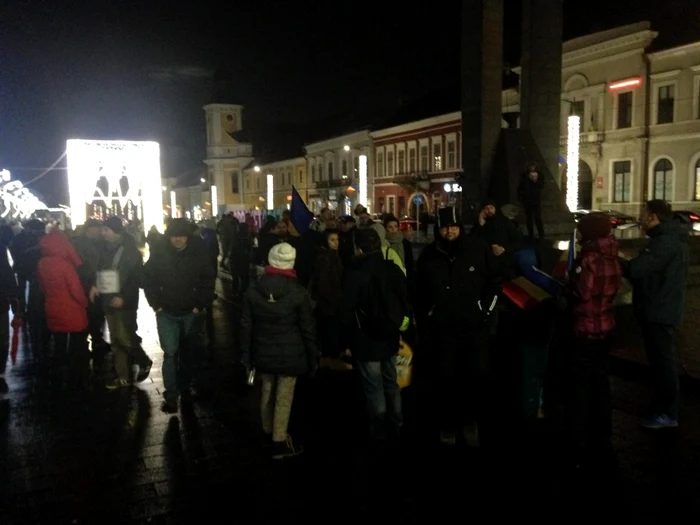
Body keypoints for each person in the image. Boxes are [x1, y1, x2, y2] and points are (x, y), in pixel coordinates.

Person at [415, 207, 500, 446]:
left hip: (475, 328)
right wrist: (426, 317)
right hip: (443, 330)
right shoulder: (430, 255)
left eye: (453, 226)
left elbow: (494, 282)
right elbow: (419, 291)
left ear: (461, 227)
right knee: (446, 377)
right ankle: (449, 423)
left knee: (475, 376)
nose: (449, 231)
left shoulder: (477, 250)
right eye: (444, 227)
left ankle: (470, 421)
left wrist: (486, 310)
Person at [240, 242, 318, 459]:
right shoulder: (298, 292)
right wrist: (313, 355)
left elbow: (246, 325)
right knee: (284, 395)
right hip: (291, 353)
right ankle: (279, 439)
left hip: (262, 351)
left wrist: (245, 354)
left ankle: (267, 430)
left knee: (266, 389)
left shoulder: (254, 290)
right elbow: (307, 328)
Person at [621, 200, 689, 429]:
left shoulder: (664, 243)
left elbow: (637, 270)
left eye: (643, 213)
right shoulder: (667, 240)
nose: (640, 216)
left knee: (664, 364)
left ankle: (668, 413)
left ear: (653, 216)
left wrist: (618, 260)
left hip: (659, 310)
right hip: (661, 307)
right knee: (662, 363)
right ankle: (663, 407)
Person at [339, 228, 410, 445]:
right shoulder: (391, 269)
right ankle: (397, 424)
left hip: (365, 340)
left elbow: (345, 313)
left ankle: (379, 428)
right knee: (391, 382)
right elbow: (405, 300)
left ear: (358, 248)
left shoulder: (354, 273)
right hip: (390, 337)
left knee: (373, 386)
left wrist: (344, 341)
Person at [143, 218, 216, 412]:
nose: (178, 240)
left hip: (189, 311)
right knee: (170, 353)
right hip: (166, 312)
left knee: (187, 352)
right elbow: (147, 278)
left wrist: (199, 305)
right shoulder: (159, 253)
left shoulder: (197, 253)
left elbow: (208, 279)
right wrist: (156, 304)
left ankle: (184, 388)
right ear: (169, 237)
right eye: (174, 236)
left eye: (181, 236)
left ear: (187, 237)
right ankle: (172, 393)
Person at [567, 213, 621, 468]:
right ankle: (603, 433)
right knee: (601, 381)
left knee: (579, 384)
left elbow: (582, 292)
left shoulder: (588, 258)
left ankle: (578, 438)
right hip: (606, 326)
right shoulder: (612, 255)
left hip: (585, 328)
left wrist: (570, 282)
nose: (577, 234)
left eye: (580, 230)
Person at [93, 217, 152, 389]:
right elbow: (101, 271)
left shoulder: (129, 251)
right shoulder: (104, 248)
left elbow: (136, 278)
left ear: (115, 231)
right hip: (107, 297)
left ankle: (143, 360)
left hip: (124, 301)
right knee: (116, 340)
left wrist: (124, 297)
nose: (103, 233)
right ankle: (122, 376)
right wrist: (95, 285)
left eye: (106, 230)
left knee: (124, 336)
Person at [37, 231, 90, 391]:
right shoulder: (65, 265)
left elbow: (42, 287)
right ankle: (77, 376)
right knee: (77, 343)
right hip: (71, 310)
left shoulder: (42, 263)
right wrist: (85, 303)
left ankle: (58, 373)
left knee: (59, 343)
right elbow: (76, 290)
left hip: (52, 308)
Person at [517, 162, 545, 240]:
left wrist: (535, 181)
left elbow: (541, 185)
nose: (531, 168)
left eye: (533, 166)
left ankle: (541, 235)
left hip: (535, 199)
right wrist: (521, 197)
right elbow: (521, 187)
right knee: (529, 219)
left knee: (537, 218)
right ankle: (531, 235)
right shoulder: (524, 175)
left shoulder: (540, 175)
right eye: (530, 166)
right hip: (527, 200)